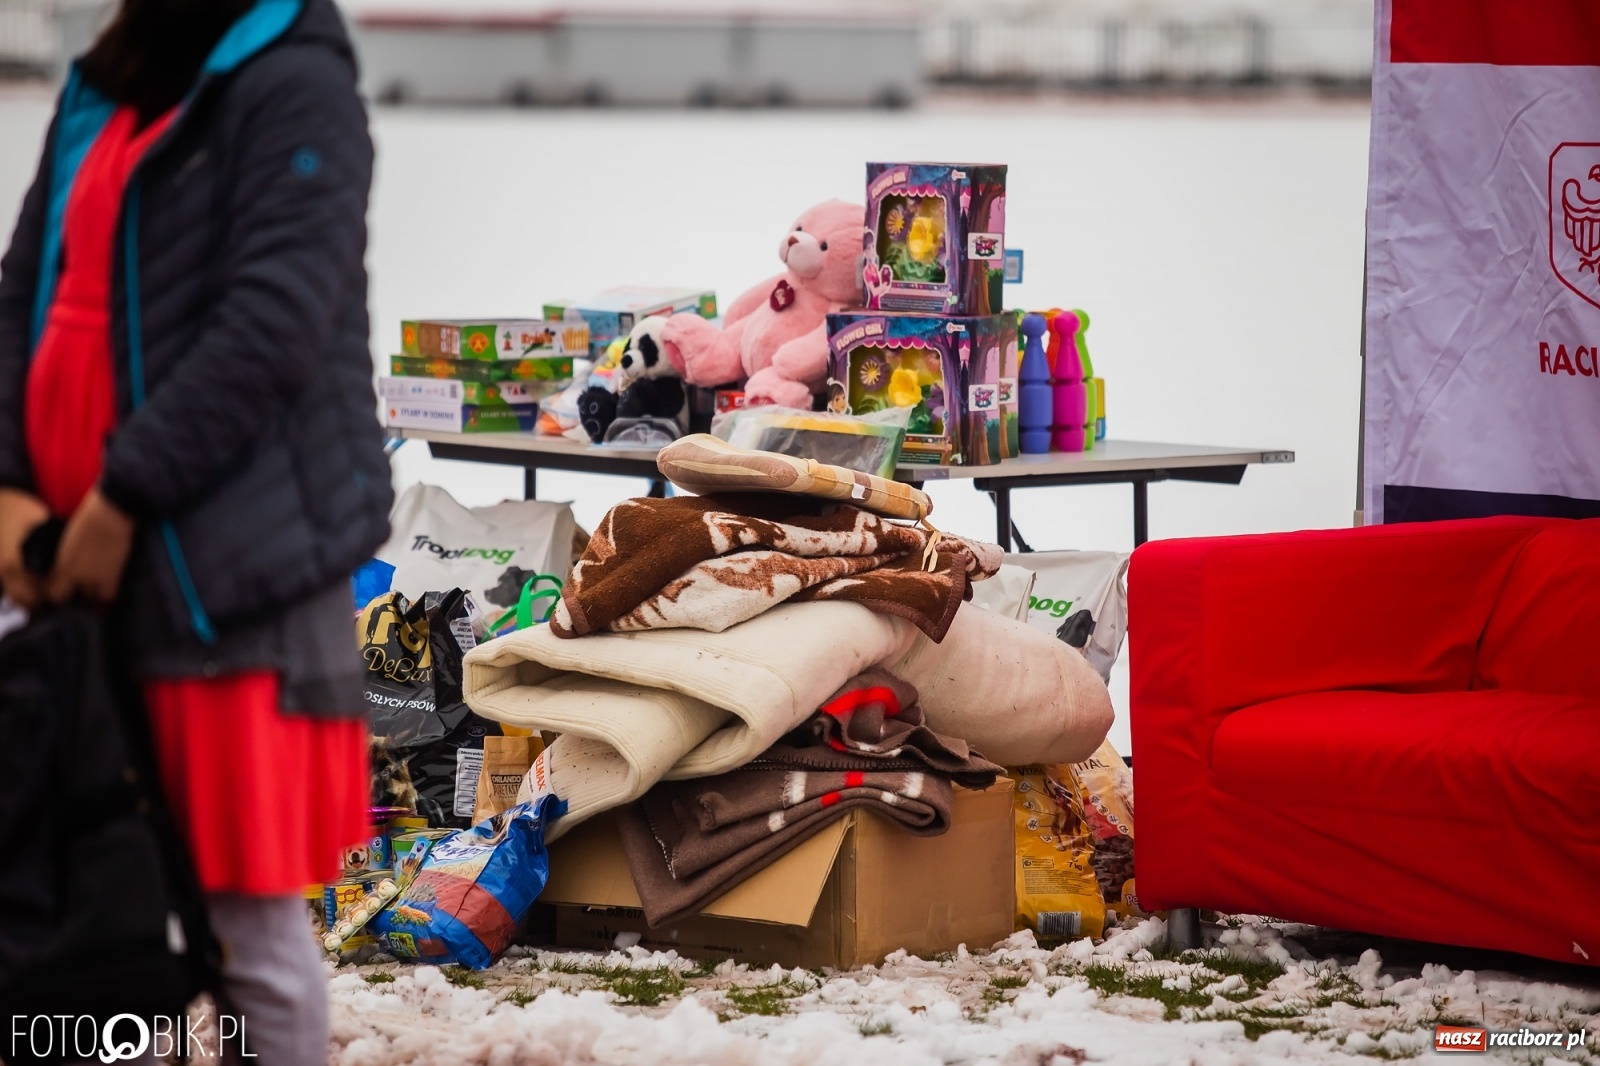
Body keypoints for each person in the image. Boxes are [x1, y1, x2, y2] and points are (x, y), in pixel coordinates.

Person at [0, 0, 391, 1061]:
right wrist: (10, 485)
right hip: (65, 569)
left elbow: (272, 320)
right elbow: (25, 293)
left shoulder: (294, 83)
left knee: (246, 923)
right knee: (62, 884)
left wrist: (123, 498)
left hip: (222, 571)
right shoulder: (103, 81)